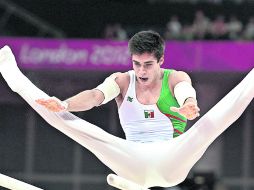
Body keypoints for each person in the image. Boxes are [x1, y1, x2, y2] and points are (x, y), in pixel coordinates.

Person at [0, 31, 253, 189]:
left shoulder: (175, 78)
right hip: (130, 159)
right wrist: (66, 104)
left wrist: (188, 103)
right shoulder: (122, 81)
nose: (141, 71)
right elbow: (95, 96)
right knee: (66, 119)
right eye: (136, 64)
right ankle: (17, 81)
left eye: (148, 65)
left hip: (172, 157)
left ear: (161, 61)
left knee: (214, 121)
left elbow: (185, 91)